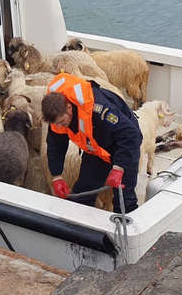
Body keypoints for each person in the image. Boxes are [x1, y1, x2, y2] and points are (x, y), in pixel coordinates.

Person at [40, 72, 142, 213]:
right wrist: (56, 176)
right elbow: (55, 145)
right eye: (57, 124)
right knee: (82, 194)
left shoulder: (99, 109)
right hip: (96, 149)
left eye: (63, 122)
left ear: (69, 108)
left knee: (123, 200)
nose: (61, 126)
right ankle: (78, 229)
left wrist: (119, 167)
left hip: (123, 144)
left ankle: (127, 228)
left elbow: (131, 135)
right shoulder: (57, 116)